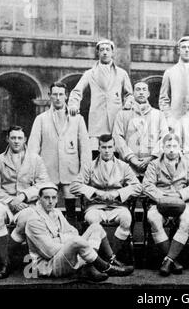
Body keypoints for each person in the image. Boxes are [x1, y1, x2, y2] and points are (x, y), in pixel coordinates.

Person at [25, 183, 133, 282]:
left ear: (57, 199)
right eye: (46, 198)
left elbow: (74, 231)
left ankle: (103, 262)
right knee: (76, 241)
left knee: (95, 227)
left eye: (53, 198)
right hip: (48, 265)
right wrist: (70, 243)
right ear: (39, 199)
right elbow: (49, 251)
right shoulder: (34, 220)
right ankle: (106, 268)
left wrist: (59, 239)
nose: (50, 201)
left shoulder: (56, 212)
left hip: (64, 255)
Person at [0, 125, 50, 279]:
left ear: (25, 139)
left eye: (19, 138)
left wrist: (24, 196)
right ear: (8, 139)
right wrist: (10, 200)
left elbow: (43, 184)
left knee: (29, 218)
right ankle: (5, 263)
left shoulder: (35, 159)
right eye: (13, 138)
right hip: (5, 203)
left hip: (27, 204)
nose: (16, 141)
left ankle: (2, 259)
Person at [70, 134, 142, 266]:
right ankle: (93, 261)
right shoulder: (89, 166)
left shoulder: (123, 166)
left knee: (127, 219)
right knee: (93, 222)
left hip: (118, 207)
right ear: (99, 148)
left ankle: (110, 257)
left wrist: (118, 193)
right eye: (104, 147)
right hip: (95, 207)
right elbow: (74, 186)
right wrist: (95, 192)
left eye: (110, 147)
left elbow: (138, 187)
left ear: (114, 148)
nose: (107, 150)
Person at [28, 81, 91, 227]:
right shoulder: (41, 119)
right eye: (54, 94)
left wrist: (83, 174)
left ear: (66, 96)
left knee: (71, 212)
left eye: (61, 94)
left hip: (71, 173)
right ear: (49, 96)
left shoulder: (77, 119)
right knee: (49, 210)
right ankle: (51, 238)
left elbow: (85, 150)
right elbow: (33, 149)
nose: (57, 98)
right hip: (48, 173)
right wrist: (34, 173)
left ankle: (72, 238)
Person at [142, 133, 189, 276]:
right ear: (163, 147)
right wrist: (162, 197)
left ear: (179, 148)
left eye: (174, 146)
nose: (171, 150)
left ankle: (168, 260)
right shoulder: (154, 164)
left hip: (182, 202)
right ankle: (172, 261)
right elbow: (147, 185)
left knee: (188, 219)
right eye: (168, 146)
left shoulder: (187, 164)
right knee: (153, 218)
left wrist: (180, 195)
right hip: (159, 202)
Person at [68, 39, 133, 157]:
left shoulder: (121, 73)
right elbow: (76, 92)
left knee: (115, 153)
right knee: (96, 153)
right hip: (97, 120)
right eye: (102, 50)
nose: (105, 52)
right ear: (97, 53)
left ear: (112, 53)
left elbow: (129, 94)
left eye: (108, 50)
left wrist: (128, 103)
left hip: (115, 119)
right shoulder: (90, 73)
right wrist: (73, 104)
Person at [113, 81, 168, 177]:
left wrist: (151, 158)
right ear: (133, 94)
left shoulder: (159, 115)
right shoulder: (122, 114)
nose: (141, 92)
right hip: (128, 167)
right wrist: (131, 158)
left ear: (148, 94)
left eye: (144, 90)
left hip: (153, 167)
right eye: (138, 90)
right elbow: (117, 137)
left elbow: (164, 137)